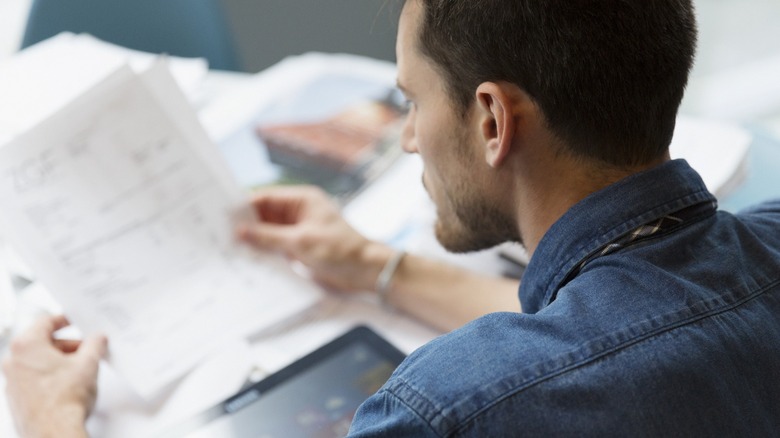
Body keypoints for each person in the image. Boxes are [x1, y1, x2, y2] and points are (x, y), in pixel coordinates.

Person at [4, 0, 780, 435]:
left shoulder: (445, 409)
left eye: (411, 100)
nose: (407, 137)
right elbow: (625, 324)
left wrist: (50, 423)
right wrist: (380, 267)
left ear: (491, 122)